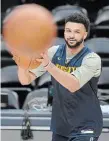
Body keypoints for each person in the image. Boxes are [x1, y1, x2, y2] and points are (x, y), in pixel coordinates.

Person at [18, 12, 103, 141]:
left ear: (85, 34)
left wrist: (49, 65)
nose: (71, 35)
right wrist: (21, 63)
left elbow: (73, 85)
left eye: (77, 32)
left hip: (86, 125)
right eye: (68, 31)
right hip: (61, 126)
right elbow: (26, 80)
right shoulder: (53, 52)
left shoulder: (92, 59)